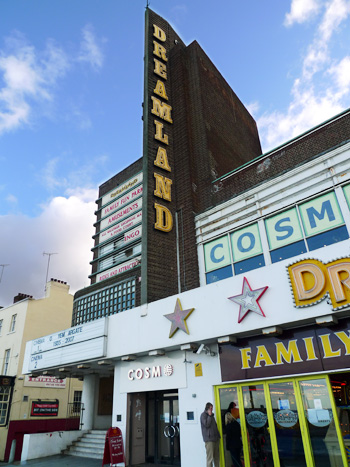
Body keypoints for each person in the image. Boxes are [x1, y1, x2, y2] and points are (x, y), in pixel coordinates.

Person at [200, 402, 221, 467]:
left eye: (212, 408)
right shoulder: (203, 415)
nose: (212, 409)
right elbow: (206, 424)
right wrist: (209, 416)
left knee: (217, 457)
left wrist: (218, 436)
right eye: (211, 408)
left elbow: (215, 426)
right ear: (207, 408)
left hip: (215, 438)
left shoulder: (212, 416)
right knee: (210, 458)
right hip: (209, 439)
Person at [225, 402, 242, 467]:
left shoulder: (229, 426)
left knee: (235, 461)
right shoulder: (237, 424)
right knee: (238, 459)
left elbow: (228, 436)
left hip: (232, 445)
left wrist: (227, 446)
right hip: (238, 444)